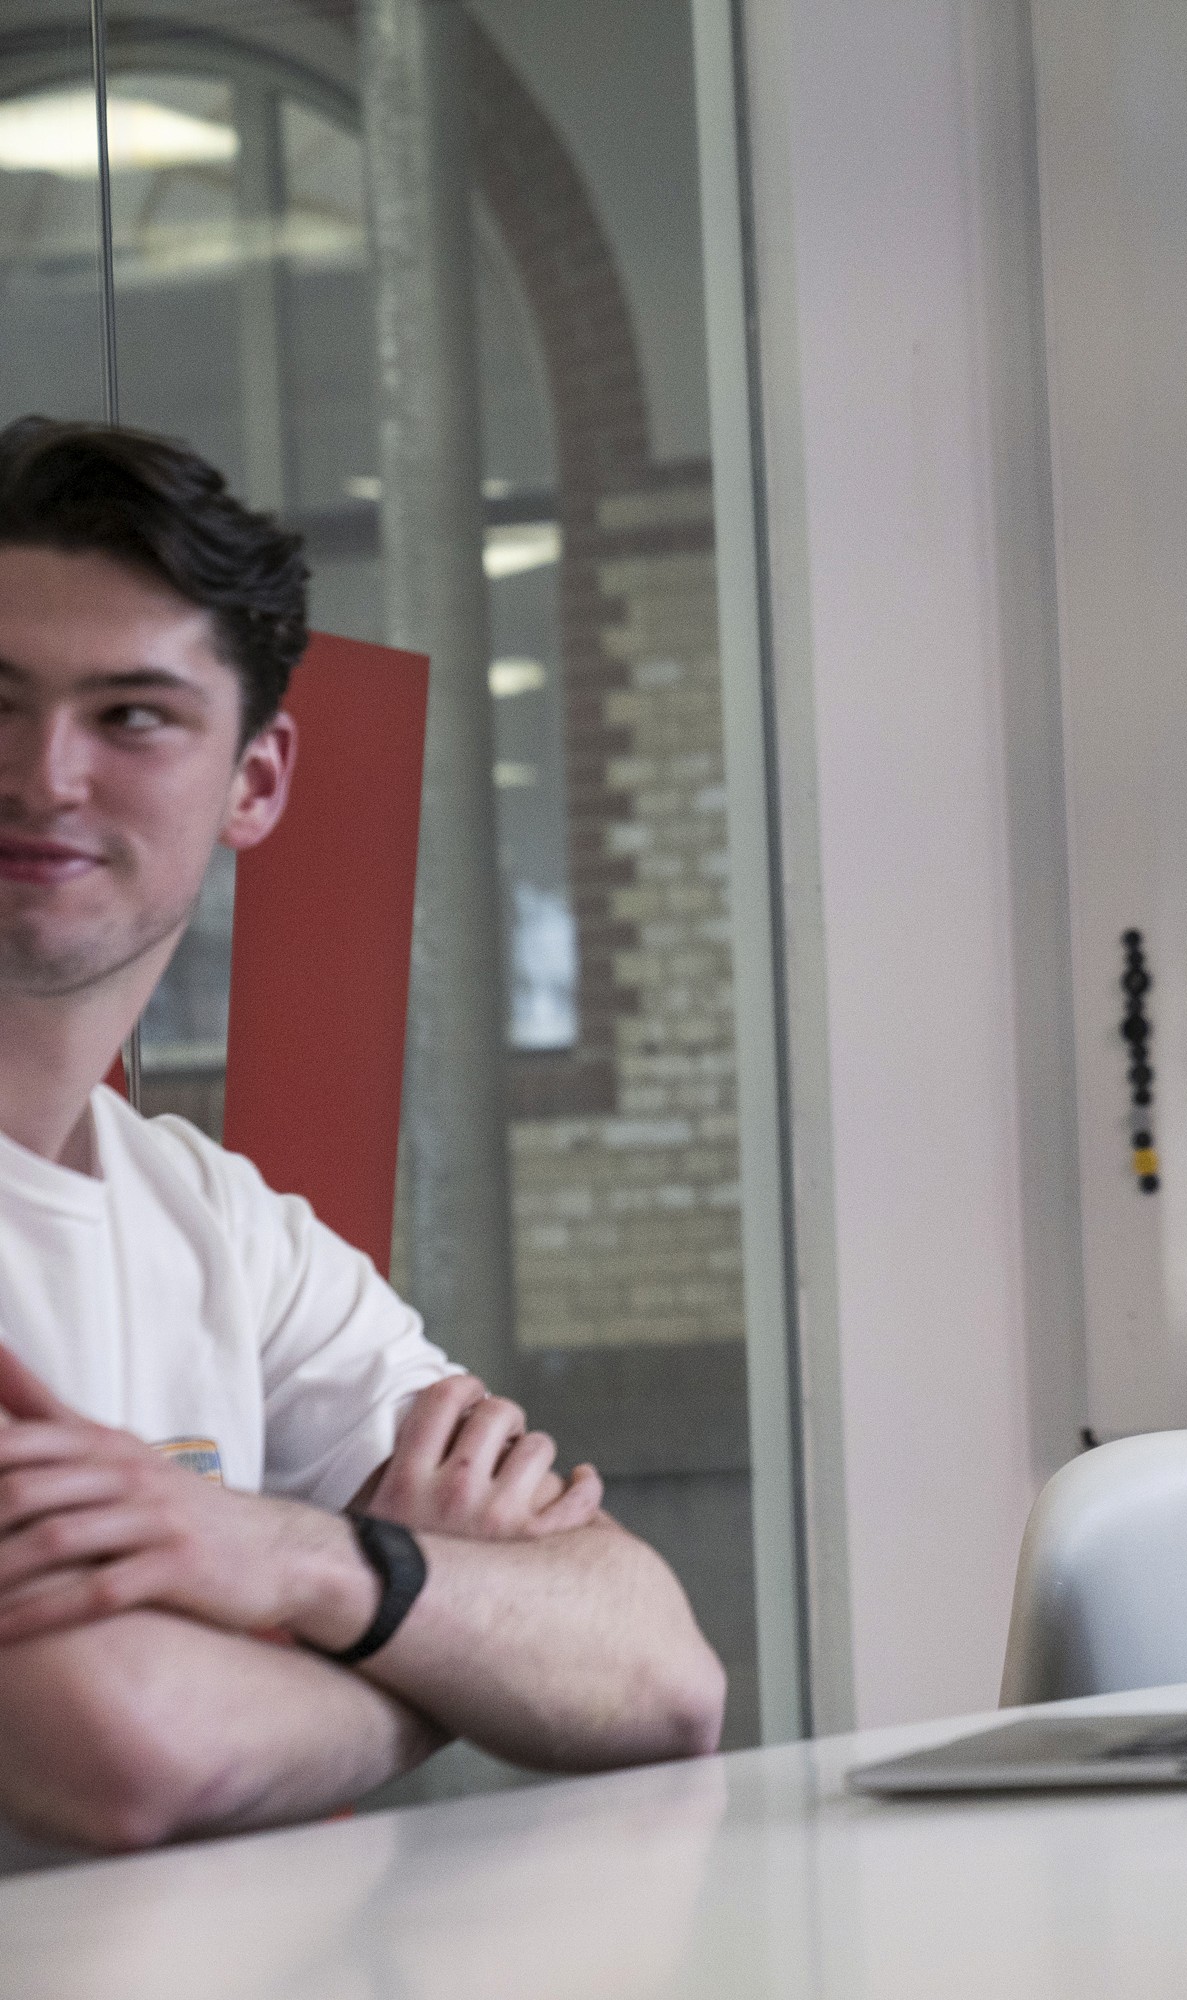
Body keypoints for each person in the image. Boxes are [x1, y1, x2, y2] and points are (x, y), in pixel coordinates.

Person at [0, 417, 725, 1857]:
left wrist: (281, 1556)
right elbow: (130, 1743)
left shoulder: (218, 1222)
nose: (45, 776)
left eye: (132, 714)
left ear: (256, 782)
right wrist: (414, 1623)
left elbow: (657, 1673)